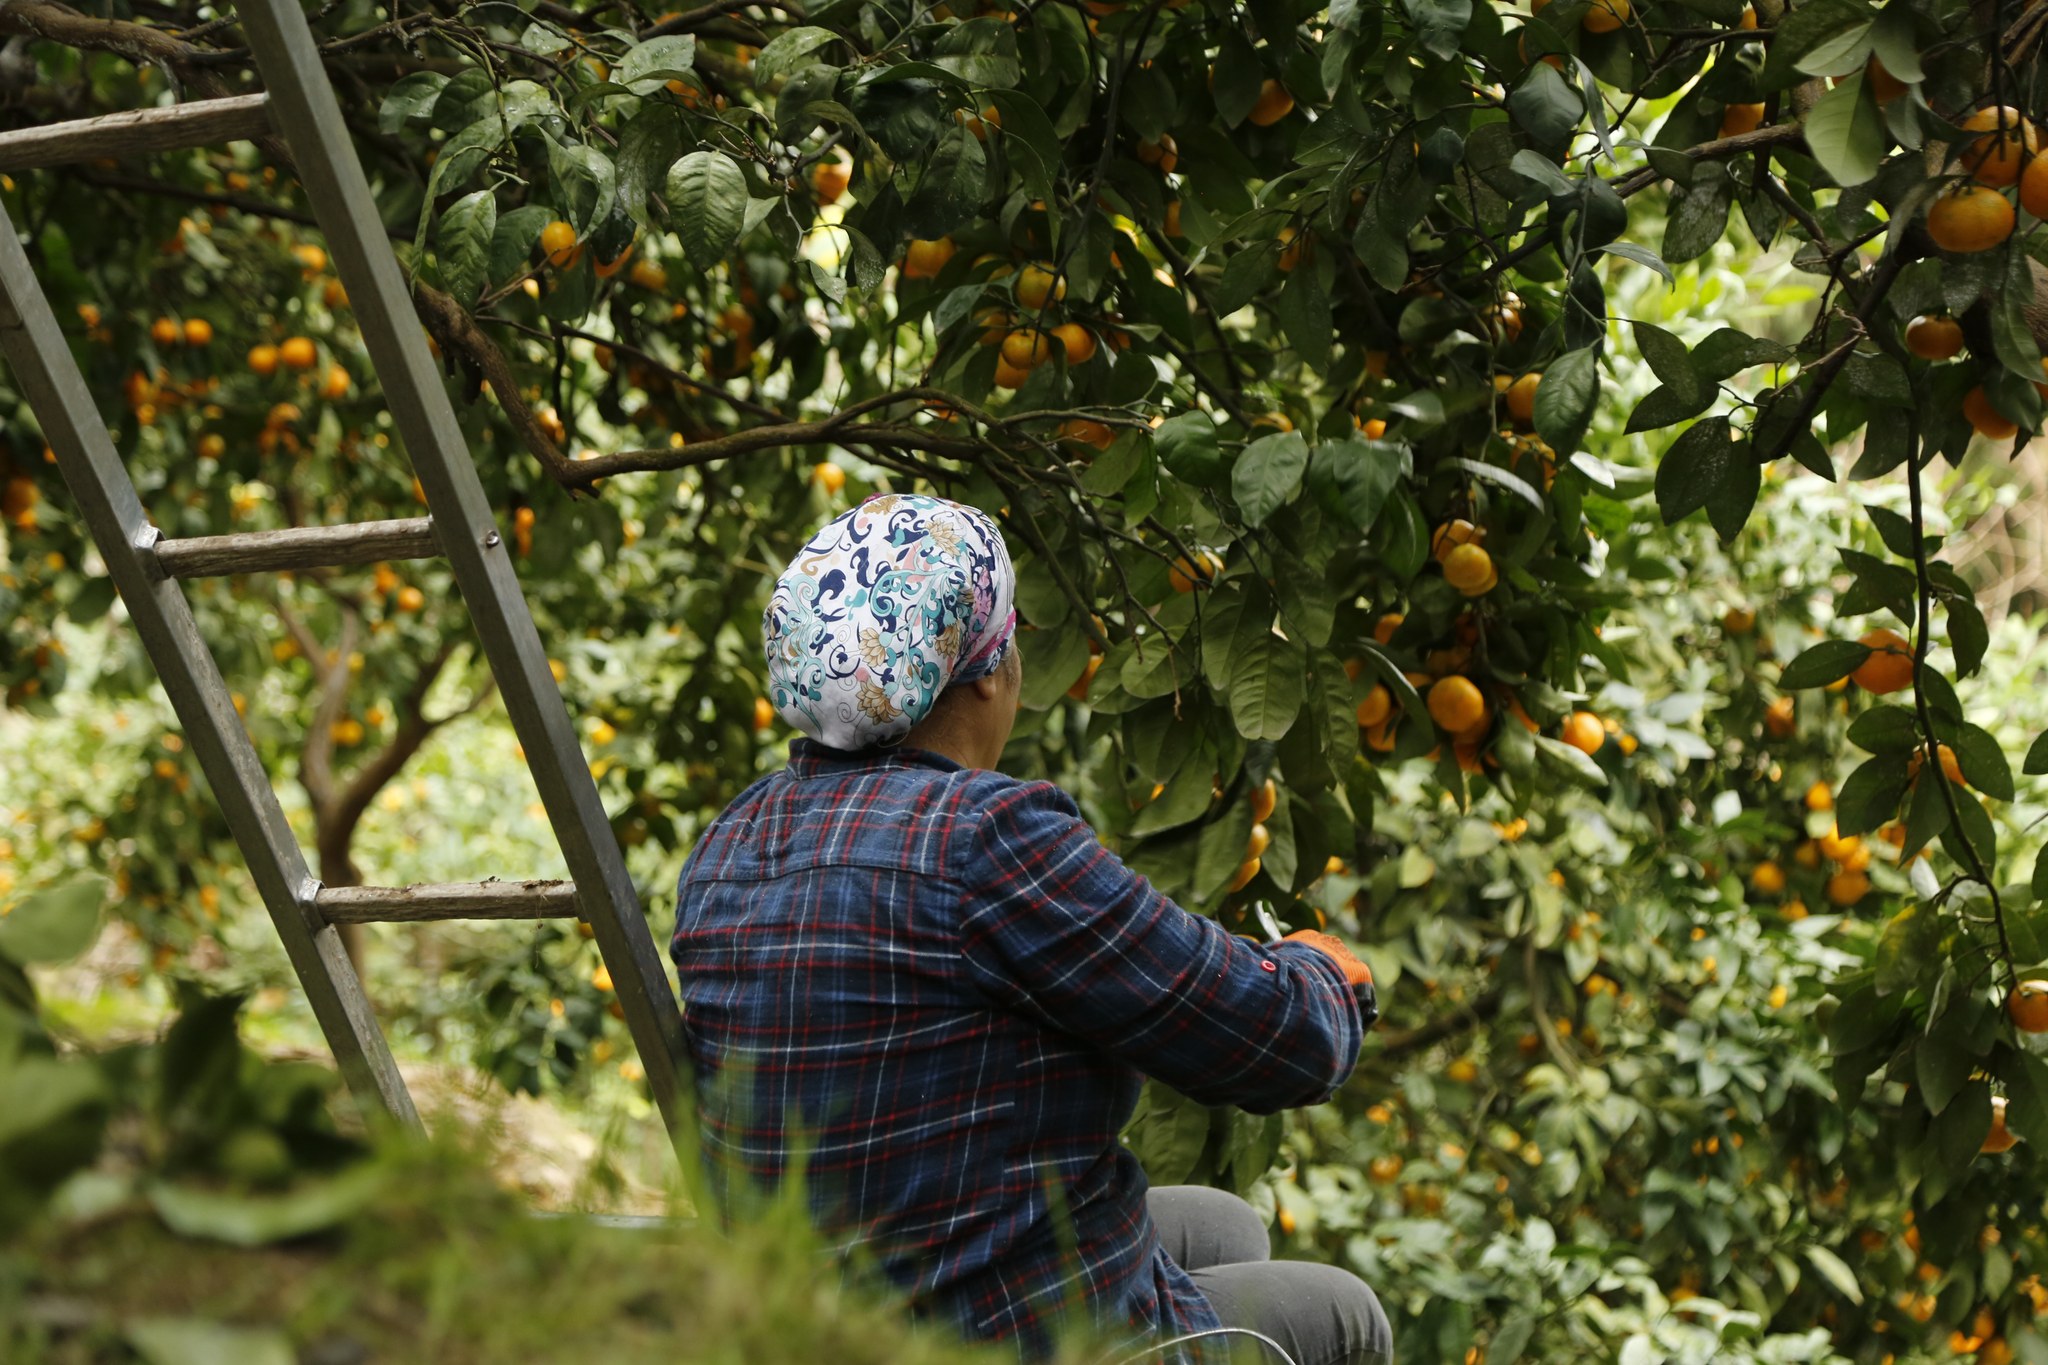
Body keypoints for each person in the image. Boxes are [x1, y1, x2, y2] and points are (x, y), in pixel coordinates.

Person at [671, 493, 1392, 1365]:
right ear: (987, 671)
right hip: (989, 1331)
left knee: (1223, 1222)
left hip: (821, 1312)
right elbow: (1279, 1042)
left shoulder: (735, 836)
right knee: (1347, 1313)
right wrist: (1326, 974)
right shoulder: (985, 836)